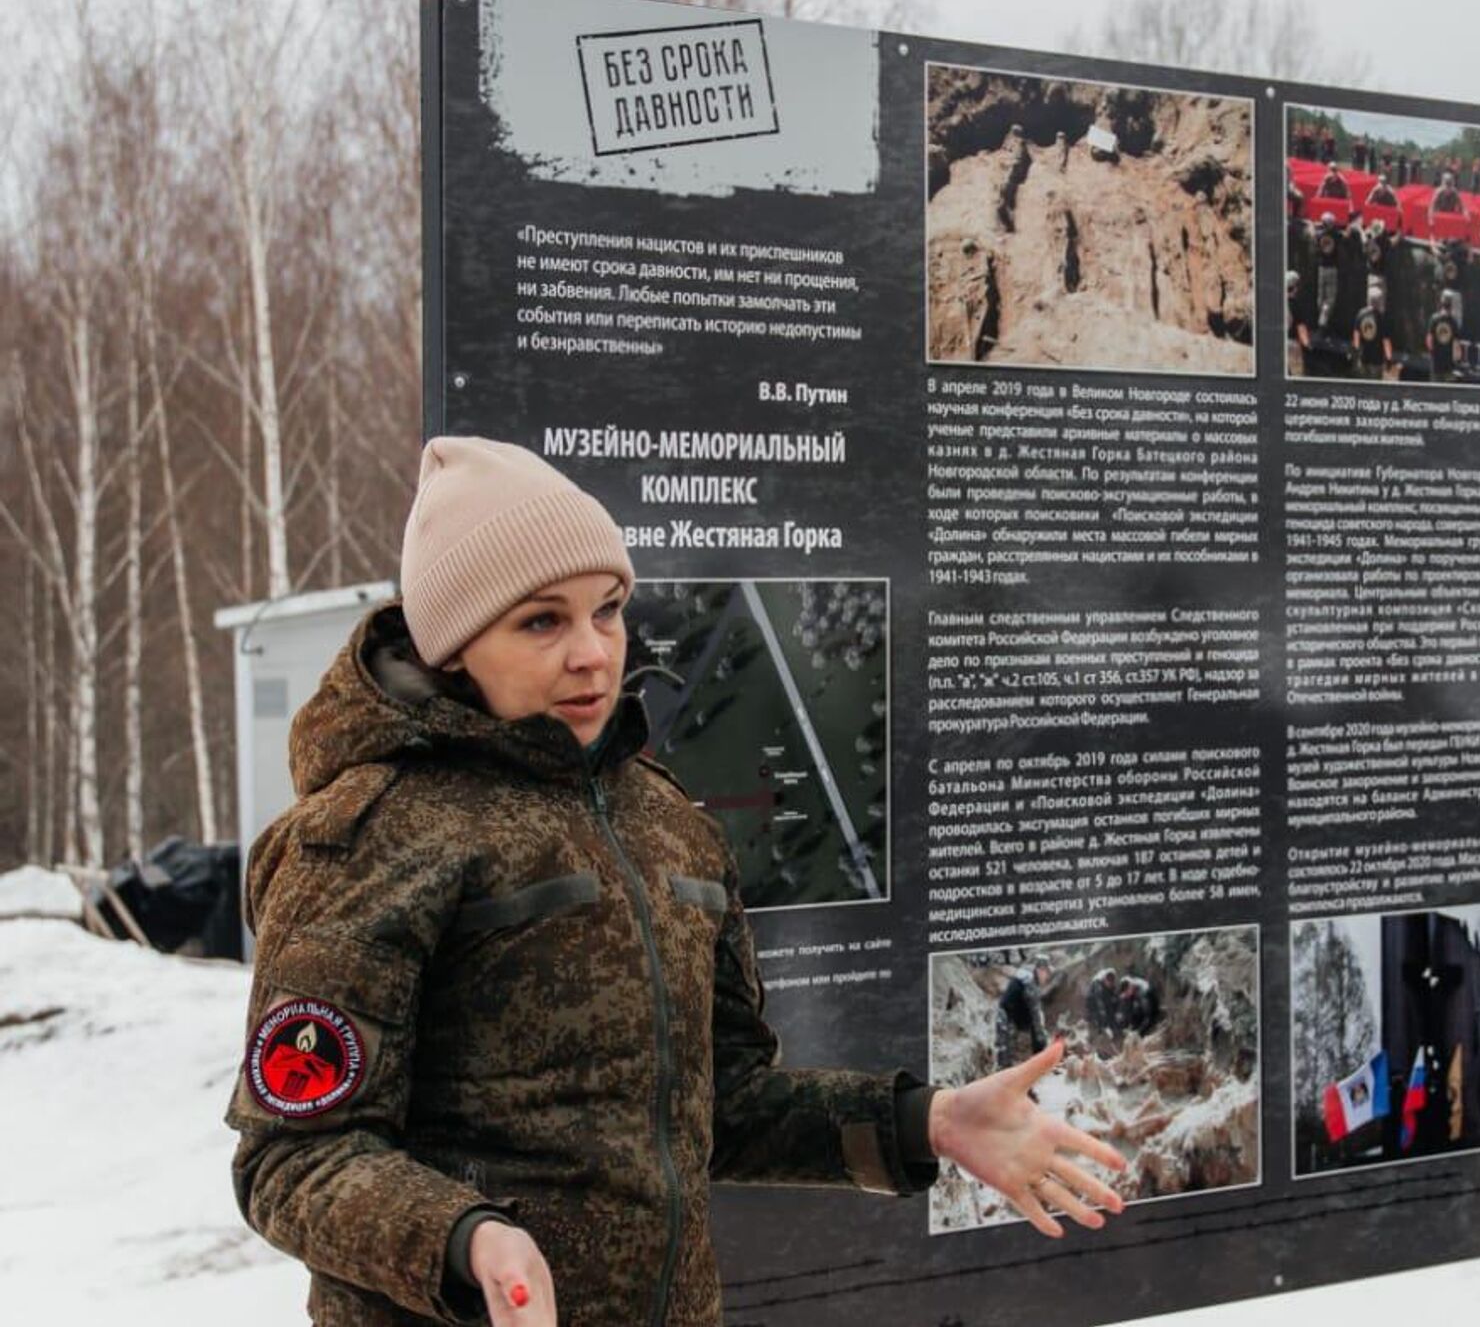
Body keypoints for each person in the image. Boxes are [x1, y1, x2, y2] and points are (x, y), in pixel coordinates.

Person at [226, 439, 1126, 1327]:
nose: (592, 653)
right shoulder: (371, 836)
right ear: (454, 644)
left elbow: (721, 1108)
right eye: (542, 621)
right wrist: (467, 1243)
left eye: (608, 610)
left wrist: (923, 1121)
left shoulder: (666, 825)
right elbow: (294, 1159)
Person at [996, 956, 1053, 1070]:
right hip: (1007, 1019)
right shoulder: (1030, 982)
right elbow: (1035, 1014)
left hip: (1013, 1017)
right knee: (1007, 1055)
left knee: (1013, 1051)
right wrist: (1042, 1042)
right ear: (1040, 970)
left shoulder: (1026, 976)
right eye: (1047, 973)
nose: (1047, 977)